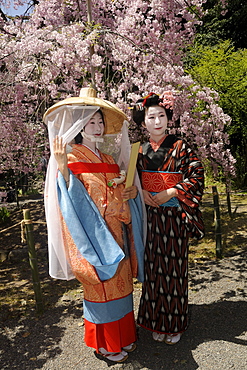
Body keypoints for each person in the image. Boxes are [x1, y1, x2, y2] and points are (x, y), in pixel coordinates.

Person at [43, 88, 144, 363]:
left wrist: (128, 195)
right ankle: (106, 345)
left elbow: (120, 192)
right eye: (91, 122)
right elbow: (71, 200)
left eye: (100, 122)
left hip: (117, 233)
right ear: (80, 125)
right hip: (93, 236)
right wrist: (63, 168)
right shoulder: (72, 159)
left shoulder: (109, 160)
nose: (98, 127)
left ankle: (124, 336)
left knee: (121, 286)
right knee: (102, 286)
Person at [132, 91, 204, 345]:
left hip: (173, 215)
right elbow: (131, 181)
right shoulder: (137, 151)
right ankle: (154, 321)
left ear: (168, 118)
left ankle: (174, 323)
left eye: (162, 115)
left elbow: (196, 175)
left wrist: (171, 191)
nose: (157, 121)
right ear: (143, 122)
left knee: (174, 270)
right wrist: (143, 195)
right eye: (151, 117)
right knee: (152, 270)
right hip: (149, 217)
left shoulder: (180, 146)